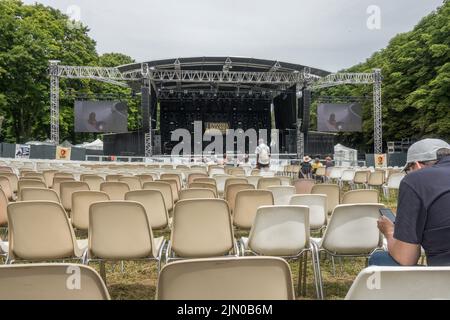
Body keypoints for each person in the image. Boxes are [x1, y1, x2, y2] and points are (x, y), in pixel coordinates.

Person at [369, 138, 450, 266]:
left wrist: (389, 231)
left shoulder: (416, 179)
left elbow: (406, 258)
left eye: (408, 170)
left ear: (416, 165)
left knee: (378, 258)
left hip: (444, 277)